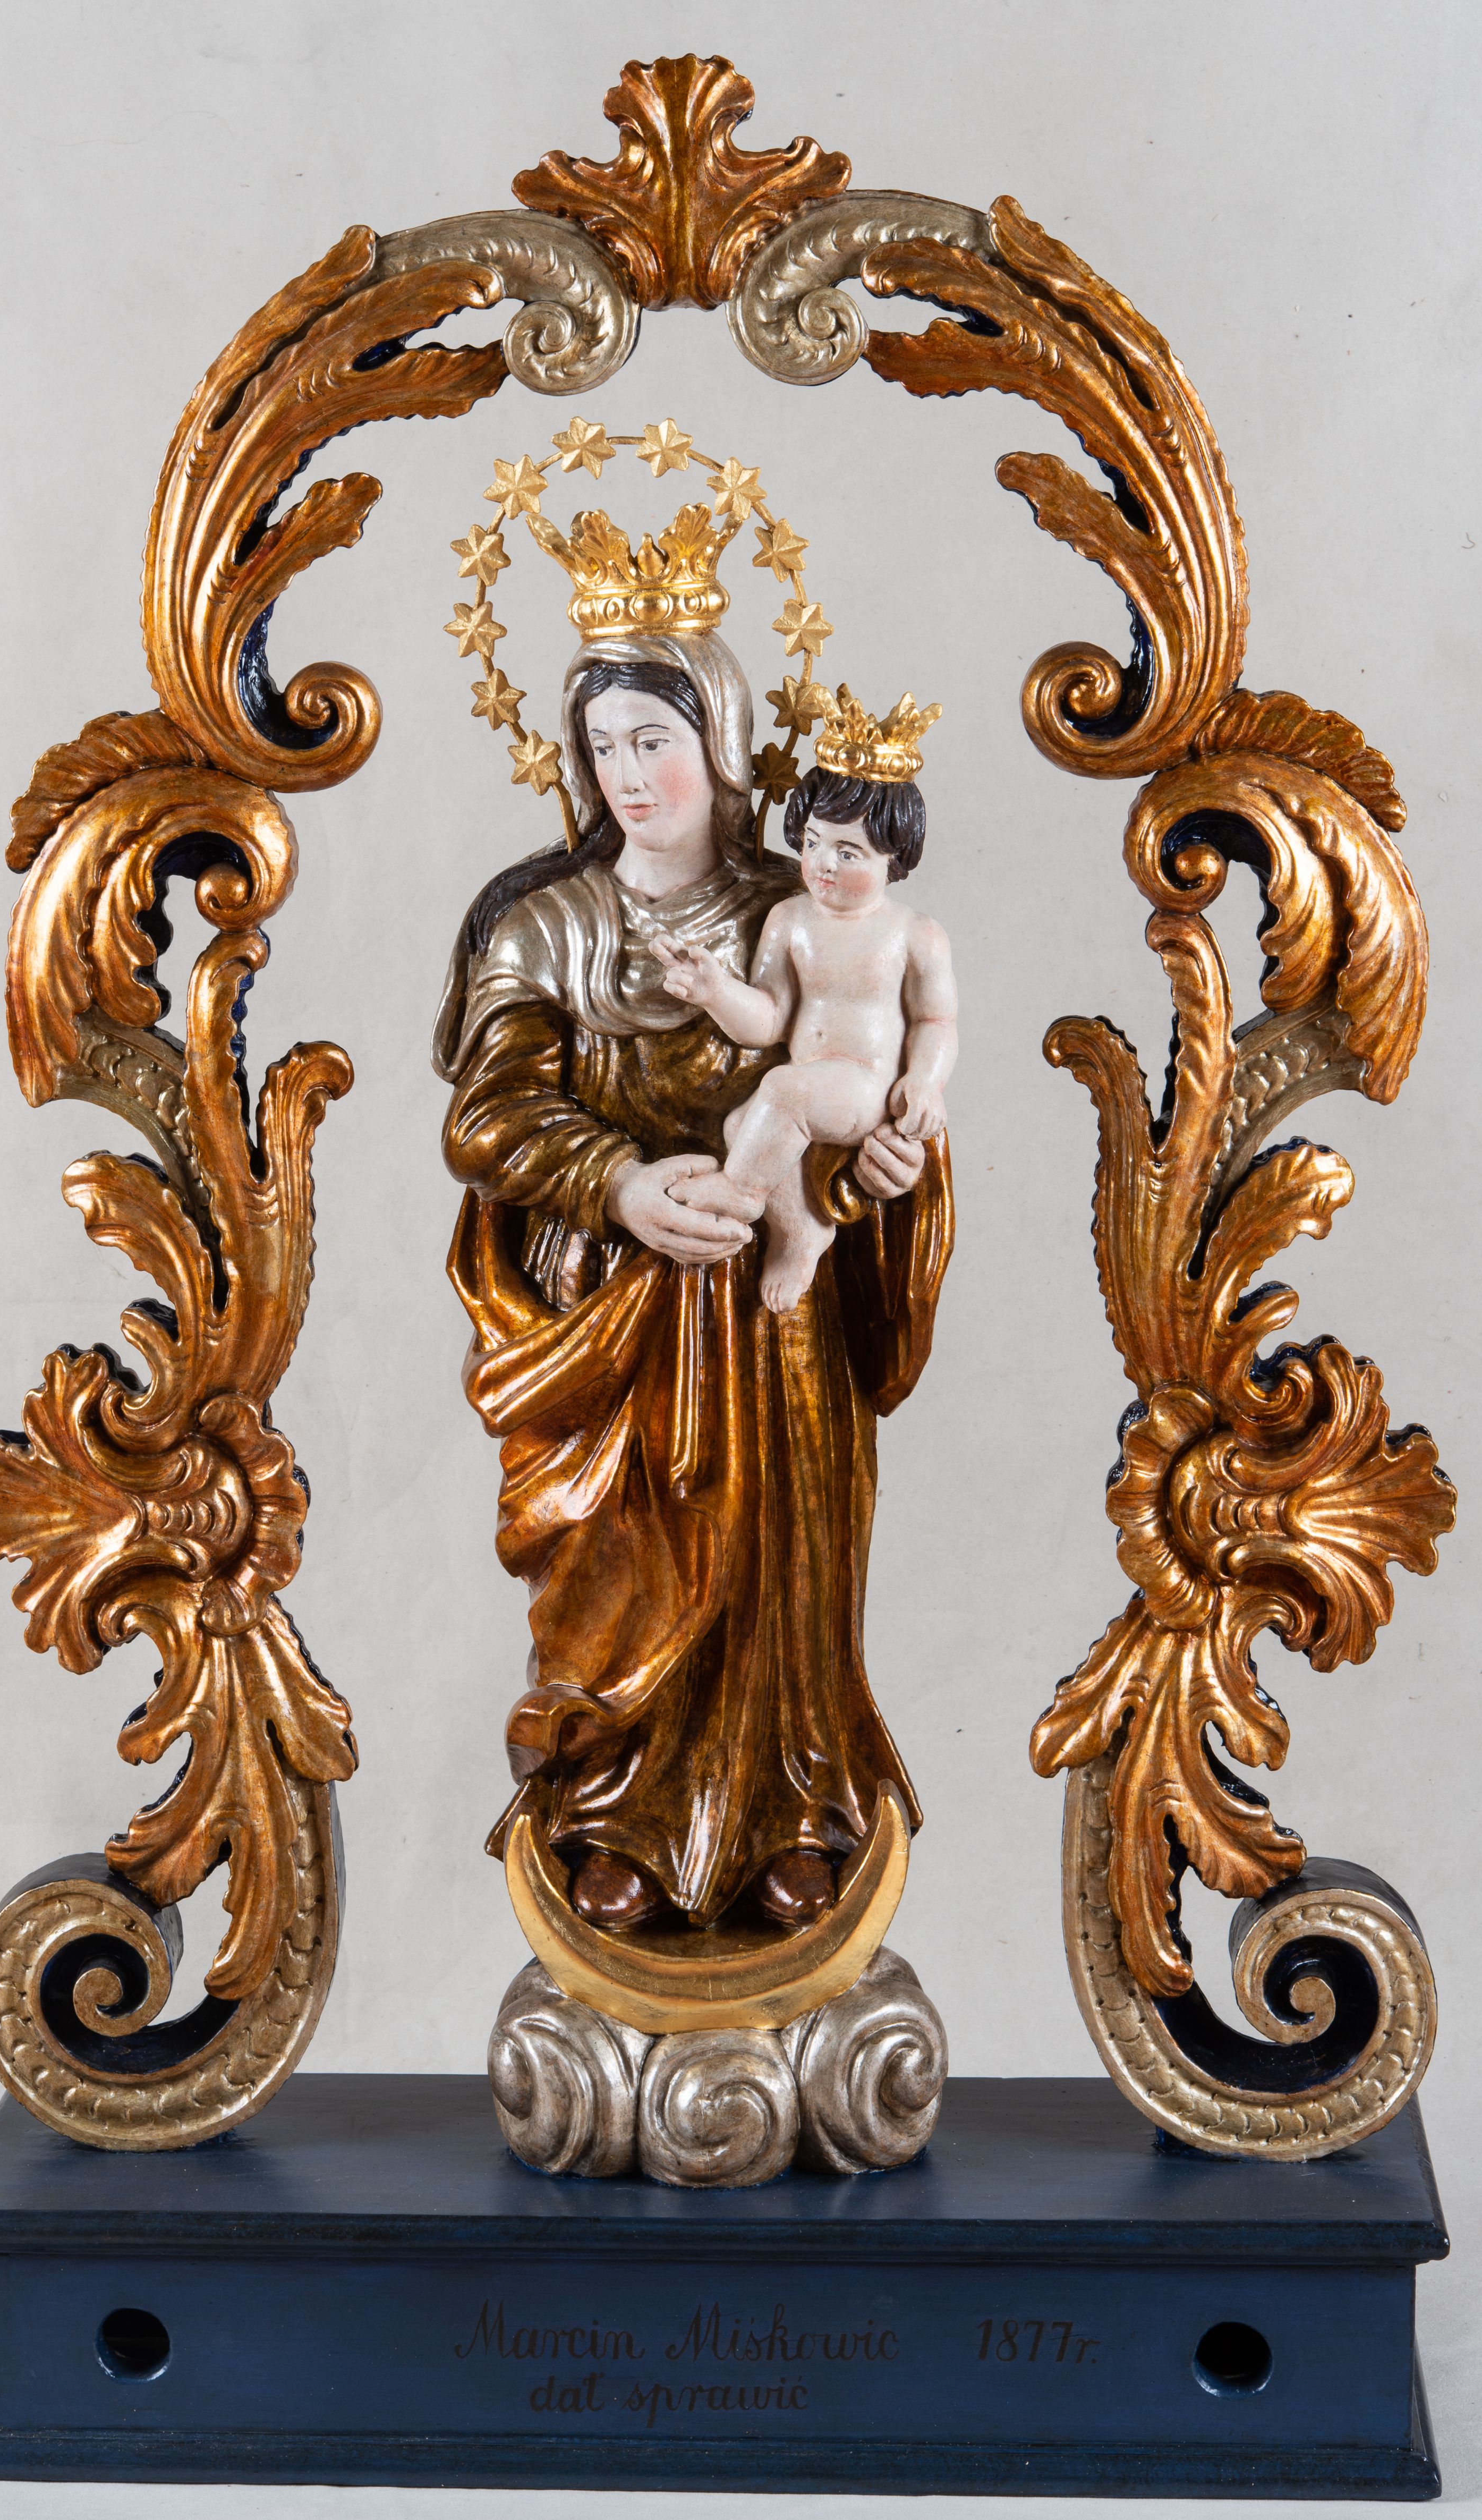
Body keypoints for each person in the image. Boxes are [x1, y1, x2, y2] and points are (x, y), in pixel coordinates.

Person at [433, 624, 955, 1936]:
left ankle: (789, 1807)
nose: (627, 772)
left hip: (778, 1316)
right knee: (627, 1563)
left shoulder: (805, 909)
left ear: (721, 745)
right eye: (603, 745)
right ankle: (615, 1809)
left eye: (654, 740)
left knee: (783, 1569)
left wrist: (892, 1165)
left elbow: (880, 1075)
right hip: (617, 1311)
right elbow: (488, 1118)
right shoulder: (546, 926)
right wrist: (620, 1185)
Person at [650, 731, 957, 1313]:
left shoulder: (913, 934)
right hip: (811, 1084)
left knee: (782, 1094)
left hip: (866, 1088)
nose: (823, 864)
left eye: (849, 853)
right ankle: (801, 1233)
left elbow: (935, 1020)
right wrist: (716, 992)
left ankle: (740, 1192)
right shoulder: (790, 920)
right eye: (813, 843)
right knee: (744, 1126)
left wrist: (925, 1082)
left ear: (894, 858)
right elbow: (768, 1019)